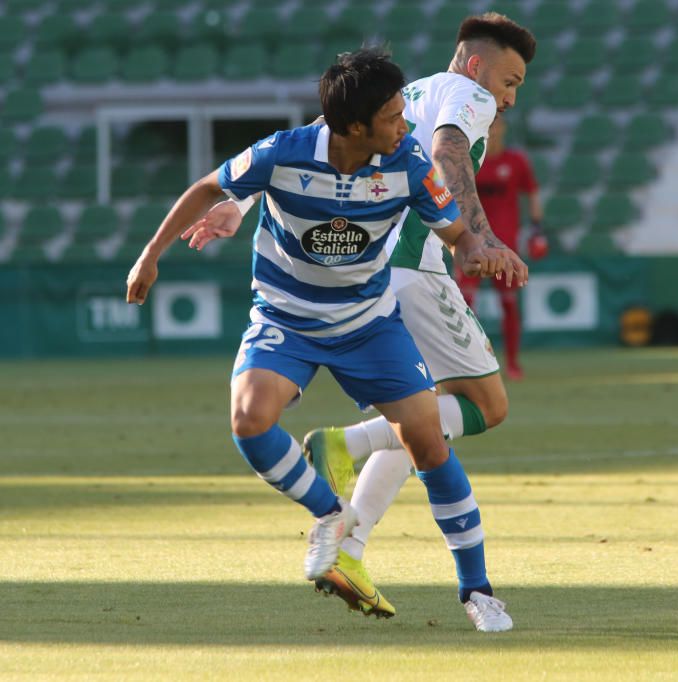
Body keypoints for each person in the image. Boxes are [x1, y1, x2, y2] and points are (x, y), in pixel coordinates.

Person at [126, 48, 516, 632]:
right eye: (391, 116)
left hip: (368, 325)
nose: (405, 124)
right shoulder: (284, 153)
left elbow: (454, 230)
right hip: (286, 319)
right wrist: (150, 255)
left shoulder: (407, 162)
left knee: (429, 444)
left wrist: (476, 249)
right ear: (353, 128)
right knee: (249, 420)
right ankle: (332, 515)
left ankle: (478, 591)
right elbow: (207, 187)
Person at [455, 115, 544, 380]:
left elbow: (533, 193)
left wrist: (537, 230)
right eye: (487, 126)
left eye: (495, 125)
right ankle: (466, 361)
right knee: (464, 305)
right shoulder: (471, 160)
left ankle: (513, 362)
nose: (492, 131)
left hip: (505, 245)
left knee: (508, 304)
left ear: (503, 128)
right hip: (471, 244)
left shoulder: (515, 162)